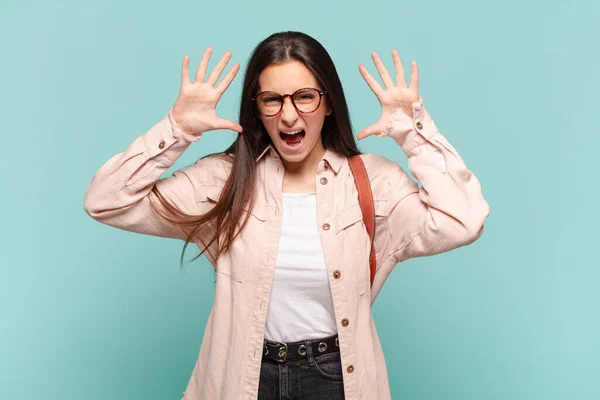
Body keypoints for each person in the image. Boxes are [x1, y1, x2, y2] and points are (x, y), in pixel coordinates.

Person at [83, 31, 490, 400]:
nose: (290, 115)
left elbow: (464, 220)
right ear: (257, 108)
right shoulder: (225, 182)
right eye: (273, 99)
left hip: (335, 378)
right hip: (243, 377)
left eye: (305, 96)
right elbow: (105, 201)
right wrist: (176, 129)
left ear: (328, 102)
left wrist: (412, 131)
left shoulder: (371, 182)